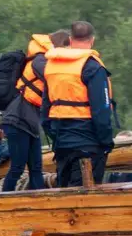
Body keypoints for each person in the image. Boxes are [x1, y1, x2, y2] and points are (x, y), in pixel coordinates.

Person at [44, 20, 115, 188]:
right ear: (92, 40)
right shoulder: (92, 66)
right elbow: (101, 111)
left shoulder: (53, 65)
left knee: (64, 194)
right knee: (86, 198)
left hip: (61, 142)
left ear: (70, 38)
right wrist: (106, 142)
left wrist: (55, 136)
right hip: (88, 143)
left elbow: (45, 109)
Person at [0, 29, 69, 191]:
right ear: (59, 45)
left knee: (36, 168)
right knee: (17, 167)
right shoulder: (39, 60)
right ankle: (2, 203)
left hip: (30, 122)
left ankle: (40, 201)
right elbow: (52, 77)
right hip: (17, 120)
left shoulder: (43, 58)